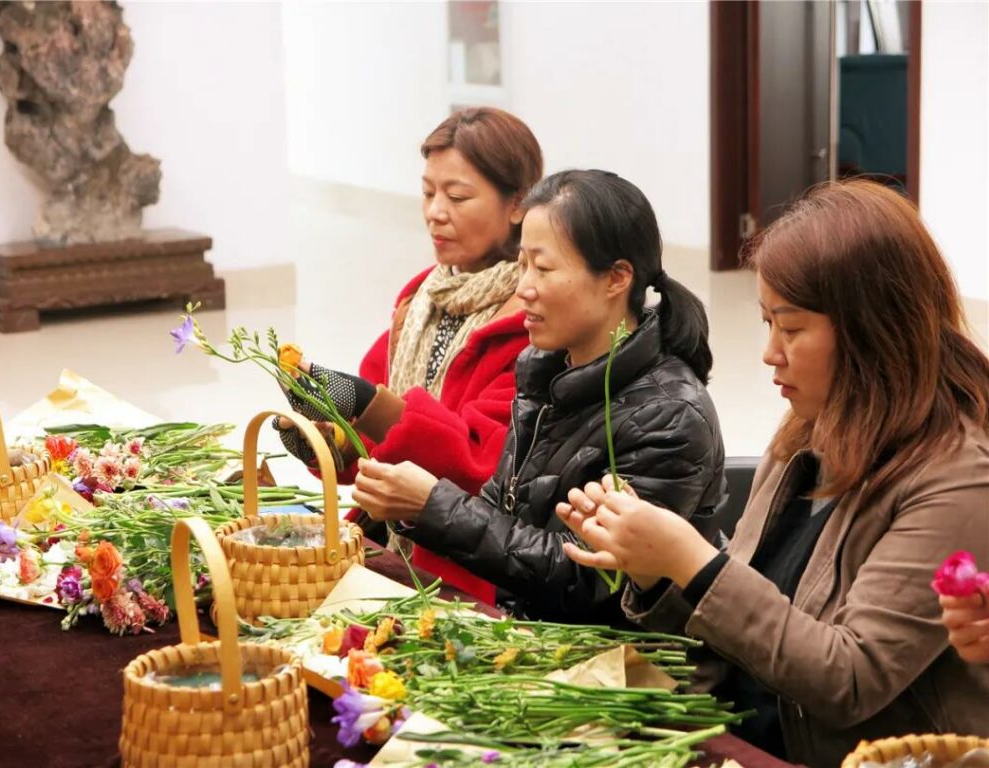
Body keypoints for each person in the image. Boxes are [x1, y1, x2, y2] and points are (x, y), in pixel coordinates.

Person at [559, 180, 989, 764]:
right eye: (766, 324)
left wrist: (691, 560)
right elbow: (741, 627)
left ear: (871, 331)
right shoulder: (808, 431)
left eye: (790, 328)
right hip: (739, 740)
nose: (769, 352)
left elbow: (850, 679)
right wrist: (657, 570)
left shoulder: (957, 476)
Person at [351, 169, 725, 623]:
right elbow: (499, 514)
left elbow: (586, 579)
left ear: (616, 278)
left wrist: (431, 505)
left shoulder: (670, 416)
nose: (523, 287)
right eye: (523, 263)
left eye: (543, 268)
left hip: (615, 659)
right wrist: (415, 508)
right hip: (526, 627)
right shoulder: (546, 369)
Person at [276, 107, 543, 603]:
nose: (435, 212)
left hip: (468, 563)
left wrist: (367, 403)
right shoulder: (419, 299)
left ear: (517, 204)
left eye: (458, 196)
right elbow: (374, 452)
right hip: (394, 539)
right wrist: (332, 443)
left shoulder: (530, 319)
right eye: (427, 192)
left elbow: (481, 465)